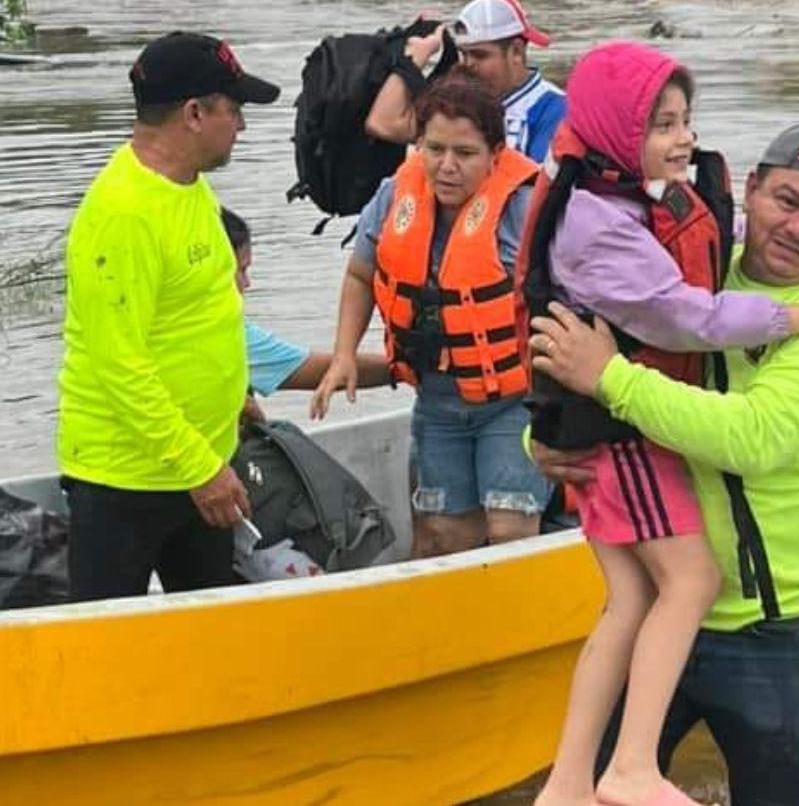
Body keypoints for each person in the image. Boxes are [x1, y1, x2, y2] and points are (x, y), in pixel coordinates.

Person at [526, 45, 799, 806]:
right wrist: (549, 440)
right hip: (667, 603)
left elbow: (748, 437)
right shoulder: (698, 261)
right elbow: (591, 342)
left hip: (774, 627)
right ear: (749, 189)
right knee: (599, 787)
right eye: (786, 201)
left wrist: (607, 379)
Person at [57, 32, 280, 602]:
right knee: (112, 639)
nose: (242, 126)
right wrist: (199, 469)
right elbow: (119, 365)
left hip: (204, 464)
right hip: (127, 479)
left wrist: (235, 396)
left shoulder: (190, 187)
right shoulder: (123, 214)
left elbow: (200, 312)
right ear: (194, 114)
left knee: (207, 632)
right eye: (235, 110)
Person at [310, 70, 552, 558]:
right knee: (443, 537)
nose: (446, 167)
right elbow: (360, 275)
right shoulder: (394, 195)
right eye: (434, 149)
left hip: (513, 401)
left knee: (509, 529)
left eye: (465, 153)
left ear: (496, 154)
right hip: (437, 401)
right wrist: (344, 354)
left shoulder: (524, 208)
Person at [218, 208, 391, 420]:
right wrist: (405, 368)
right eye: (241, 271)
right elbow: (314, 369)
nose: (247, 284)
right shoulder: (227, 335)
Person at [451, 0, 566, 163]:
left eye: (479, 55)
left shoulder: (556, 110)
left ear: (516, 52)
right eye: (464, 55)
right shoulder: (460, 104)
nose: (468, 65)